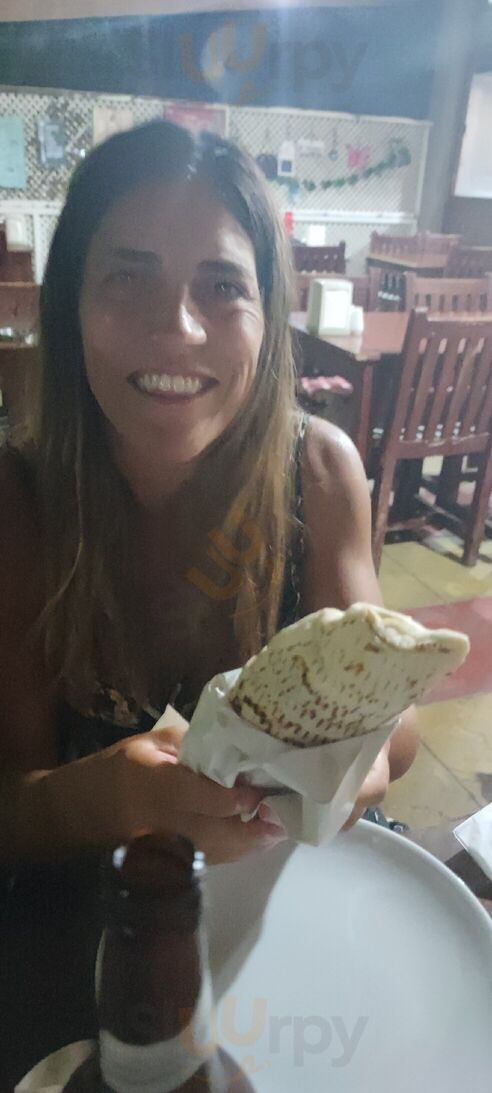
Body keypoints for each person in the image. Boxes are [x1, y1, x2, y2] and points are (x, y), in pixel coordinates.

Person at [0, 120, 419, 1084]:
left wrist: (340, 767)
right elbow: (12, 810)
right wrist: (107, 796)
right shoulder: (21, 504)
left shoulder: (321, 472)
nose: (179, 328)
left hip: (290, 941)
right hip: (90, 947)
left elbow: (394, 734)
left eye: (223, 285)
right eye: (128, 275)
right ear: (72, 303)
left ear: (269, 314)